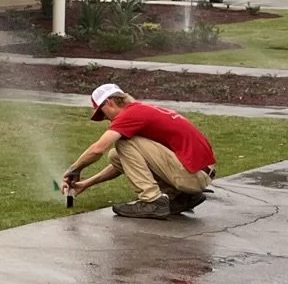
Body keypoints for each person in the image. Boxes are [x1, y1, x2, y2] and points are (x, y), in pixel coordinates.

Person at [60, 82, 216, 219]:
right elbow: (126, 162)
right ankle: (182, 197)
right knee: (116, 155)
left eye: (102, 112)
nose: (105, 118)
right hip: (197, 174)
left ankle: (152, 201)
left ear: (109, 103)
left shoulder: (130, 115)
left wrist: (73, 170)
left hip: (193, 176)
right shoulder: (140, 110)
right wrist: (86, 184)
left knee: (123, 143)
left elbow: (97, 149)